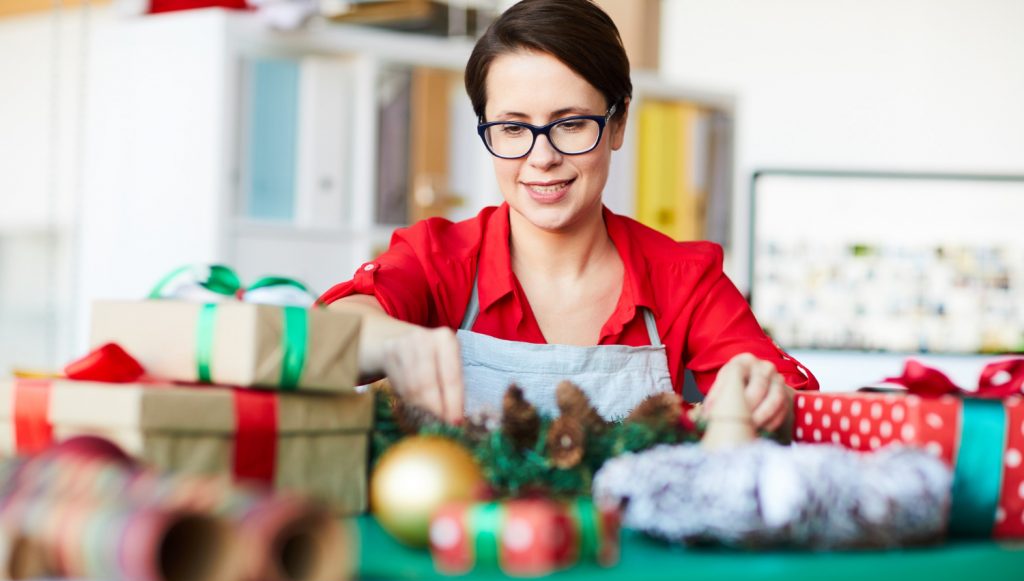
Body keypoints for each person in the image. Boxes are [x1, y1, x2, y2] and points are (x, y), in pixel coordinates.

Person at [321, 0, 818, 433]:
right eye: (513, 128)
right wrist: (396, 341)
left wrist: (761, 393)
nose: (542, 158)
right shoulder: (439, 259)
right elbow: (330, 336)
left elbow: (800, 406)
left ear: (618, 121)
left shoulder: (684, 279)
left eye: (571, 124)